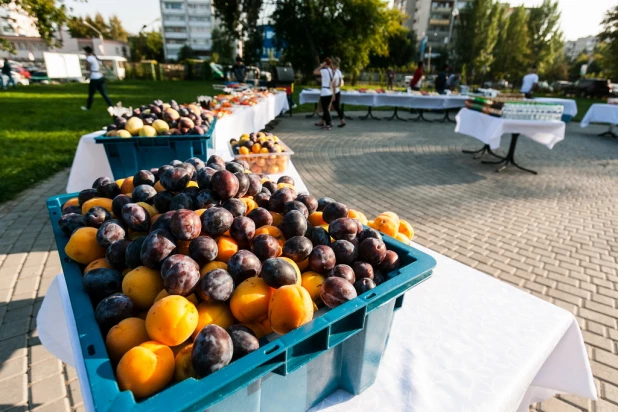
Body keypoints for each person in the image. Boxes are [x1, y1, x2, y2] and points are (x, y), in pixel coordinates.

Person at [81, 46, 113, 115]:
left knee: (91, 94)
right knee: (104, 94)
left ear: (87, 52)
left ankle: (88, 107)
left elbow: (87, 68)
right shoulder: (95, 57)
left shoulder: (89, 58)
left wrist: (87, 75)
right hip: (100, 77)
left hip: (94, 78)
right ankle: (111, 106)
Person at [313, 57, 334, 130]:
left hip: (324, 92)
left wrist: (321, 66)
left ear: (325, 63)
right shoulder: (330, 70)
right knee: (326, 108)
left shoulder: (324, 70)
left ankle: (329, 122)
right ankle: (326, 122)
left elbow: (315, 72)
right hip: (329, 91)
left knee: (325, 109)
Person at [331, 57, 346, 128]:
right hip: (338, 90)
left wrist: (333, 94)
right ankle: (342, 120)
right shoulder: (339, 72)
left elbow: (333, 84)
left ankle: (342, 120)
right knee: (335, 107)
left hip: (334, 91)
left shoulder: (334, 72)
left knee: (331, 107)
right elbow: (342, 82)